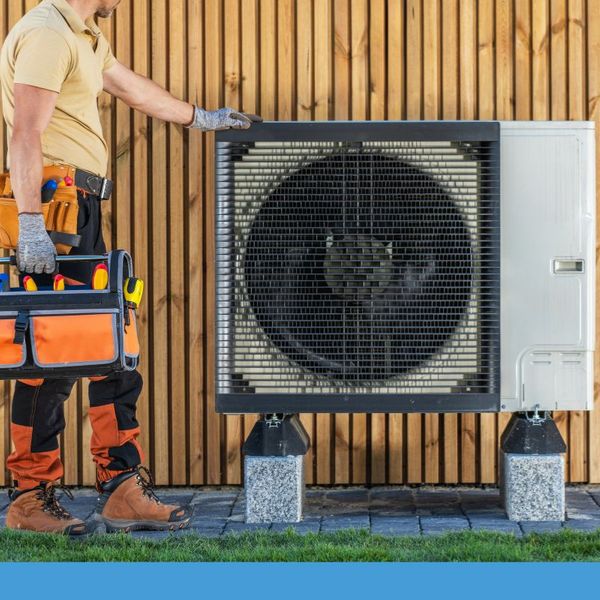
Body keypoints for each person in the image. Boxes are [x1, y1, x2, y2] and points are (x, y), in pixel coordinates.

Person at [0, 0, 261, 535]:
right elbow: (25, 132)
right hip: (52, 211)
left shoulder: (86, 35)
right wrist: (29, 224)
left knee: (111, 348)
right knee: (45, 360)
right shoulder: (47, 34)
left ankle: (120, 488)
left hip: (80, 211)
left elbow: (132, 86)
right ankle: (29, 499)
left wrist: (200, 117)